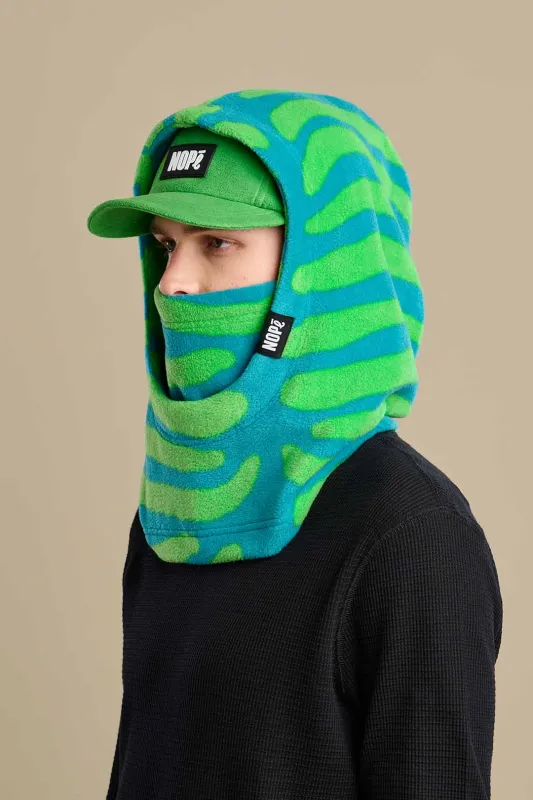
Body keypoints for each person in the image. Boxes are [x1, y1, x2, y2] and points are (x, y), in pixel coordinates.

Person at [87, 88, 503, 800]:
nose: (173, 284)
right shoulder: (175, 509)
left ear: (314, 271)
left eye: (216, 243)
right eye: (165, 245)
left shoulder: (412, 534)